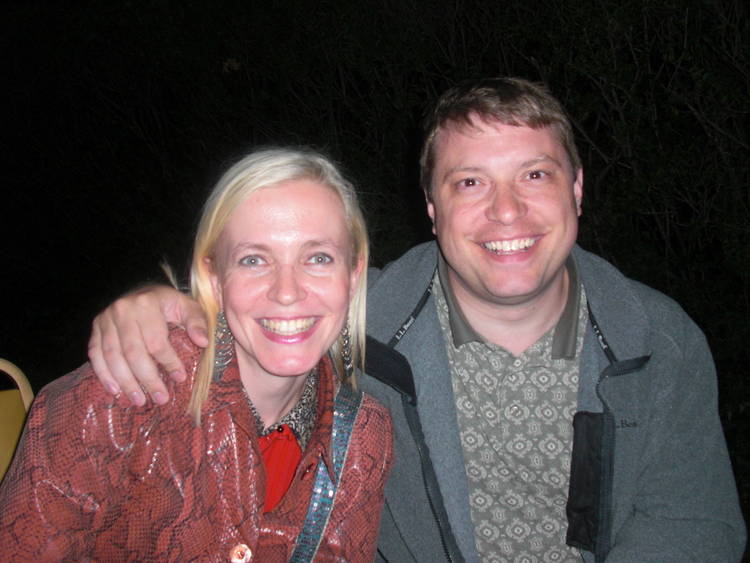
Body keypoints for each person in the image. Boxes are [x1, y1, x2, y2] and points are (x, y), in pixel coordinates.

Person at [85, 79, 745, 562]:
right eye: (470, 182)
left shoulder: (658, 340)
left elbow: (697, 525)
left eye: (535, 175)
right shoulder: (360, 325)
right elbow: (263, 305)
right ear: (431, 207)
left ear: (576, 189)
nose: (506, 211)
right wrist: (158, 307)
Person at [0, 148, 393, 561]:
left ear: (354, 274)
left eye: (318, 258)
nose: (287, 291)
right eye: (254, 260)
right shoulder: (120, 397)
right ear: (214, 278)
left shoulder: (364, 436)